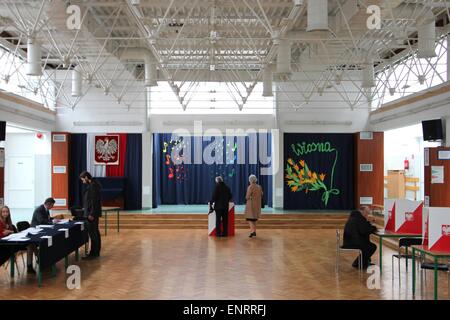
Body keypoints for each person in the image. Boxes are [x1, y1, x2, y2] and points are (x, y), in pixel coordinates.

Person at [80, 171, 102, 259]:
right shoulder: (93, 184)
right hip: (91, 213)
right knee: (95, 233)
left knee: (93, 234)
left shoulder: (93, 186)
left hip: (91, 214)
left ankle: (94, 253)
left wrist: (91, 213)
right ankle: (95, 252)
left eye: (82, 179)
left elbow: (94, 201)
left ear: (86, 177)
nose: (82, 181)